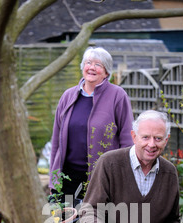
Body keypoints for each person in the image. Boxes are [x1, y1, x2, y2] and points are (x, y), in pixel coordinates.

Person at [49, 46, 134, 204]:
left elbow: (127, 139)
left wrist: (123, 177)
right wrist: (53, 178)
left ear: (106, 72)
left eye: (98, 65)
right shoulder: (67, 96)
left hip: (102, 177)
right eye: (88, 63)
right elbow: (56, 140)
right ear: (83, 67)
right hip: (67, 178)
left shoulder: (117, 96)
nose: (91, 68)